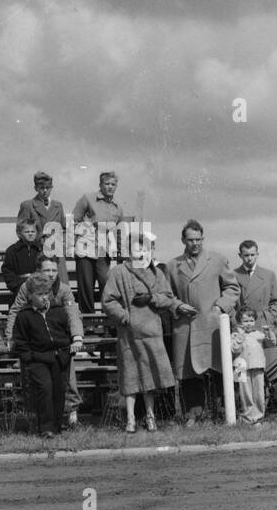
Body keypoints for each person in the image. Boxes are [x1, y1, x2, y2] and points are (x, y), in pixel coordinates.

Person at [102, 231, 195, 433]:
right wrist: (124, 316)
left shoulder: (157, 273)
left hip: (152, 331)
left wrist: (152, 297)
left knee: (151, 376)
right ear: (128, 251)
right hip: (129, 333)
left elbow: (168, 298)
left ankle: (151, 417)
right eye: (137, 248)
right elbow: (108, 300)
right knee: (130, 376)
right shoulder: (119, 272)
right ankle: (131, 419)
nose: (142, 252)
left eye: (145, 249)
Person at [164, 219, 241, 424]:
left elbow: (232, 288)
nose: (195, 244)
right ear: (183, 240)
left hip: (212, 326)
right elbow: (166, 294)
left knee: (218, 369)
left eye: (198, 239)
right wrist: (178, 305)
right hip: (186, 326)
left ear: (203, 239)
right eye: (190, 240)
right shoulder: (172, 265)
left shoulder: (217, 260)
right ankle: (193, 415)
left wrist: (220, 306)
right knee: (189, 374)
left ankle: (221, 413)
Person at [6, 256, 87, 427]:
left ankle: (71, 413)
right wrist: (10, 337)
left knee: (66, 377)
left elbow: (72, 313)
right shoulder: (27, 287)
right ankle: (38, 419)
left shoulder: (63, 289)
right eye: (46, 270)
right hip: (36, 340)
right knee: (38, 383)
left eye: (54, 270)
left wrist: (77, 336)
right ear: (38, 271)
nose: (51, 274)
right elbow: (16, 310)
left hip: (59, 340)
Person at [9, 274, 73, 438]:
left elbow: (67, 333)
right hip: (37, 359)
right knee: (45, 388)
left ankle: (57, 426)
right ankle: (46, 428)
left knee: (59, 391)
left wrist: (67, 349)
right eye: (39, 294)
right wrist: (28, 357)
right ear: (30, 295)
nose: (44, 297)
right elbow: (20, 341)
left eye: (46, 293)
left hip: (59, 357)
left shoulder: (59, 311)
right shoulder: (24, 315)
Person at [72, 171, 125, 315]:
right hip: (85, 249)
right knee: (86, 286)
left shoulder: (118, 207)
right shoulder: (88, 198)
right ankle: (88, 322)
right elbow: (73, 220)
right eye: (106, 184)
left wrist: (119, 249)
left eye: (113, 184)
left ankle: (107, 319)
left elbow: (118, 231)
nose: (110, 187)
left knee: (106, 284)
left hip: (104, 252)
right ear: (100, 185)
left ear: (116, 186)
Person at [233, 239, 277, 367]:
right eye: (246, 255)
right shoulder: (233, 276)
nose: (249, 259)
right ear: (240, 255)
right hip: (242, 328)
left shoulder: (268, 275)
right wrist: (236, 323)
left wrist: (270, 319)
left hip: (263, 326)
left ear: (257, 254)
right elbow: (230, 304)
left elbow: (276, 302)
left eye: (252, 255)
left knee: (269, 369)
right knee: (244, 370)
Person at [15, 171, 69, 283]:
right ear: (35, 188)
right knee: (41, 288)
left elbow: (64, 228)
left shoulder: (58, 205)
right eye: (41, 187)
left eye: (48, 187)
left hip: (57, 253)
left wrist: (61, 242)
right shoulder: (27, 205)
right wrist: (37, 241)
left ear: (52, 188)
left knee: (61, 287)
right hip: (38, 253)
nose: (45, 191)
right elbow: (20, 230)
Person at [230, 308, 268, 422]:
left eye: (251, 320)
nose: (249, 324)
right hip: (241, 367)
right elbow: (235, 349)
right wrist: (240, 337)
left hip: (257, 366)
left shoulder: (259, 335)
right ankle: (248, 418)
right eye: (245, 321)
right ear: (239, 322)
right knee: (245, 394)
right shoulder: (235, 335)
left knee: (259, 393)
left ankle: (259, 417)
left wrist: (269, 333)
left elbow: (271, 343)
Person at [1, 220, 45, 307]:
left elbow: (47, 269)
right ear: (19, 233)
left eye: (33, 231)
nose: (30, 234)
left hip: (40, 290)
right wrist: (18, 286)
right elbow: (8, 271)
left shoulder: (42, 250)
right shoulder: (12, 250)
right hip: (19, 290)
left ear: (36, 233)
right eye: (27, 231)